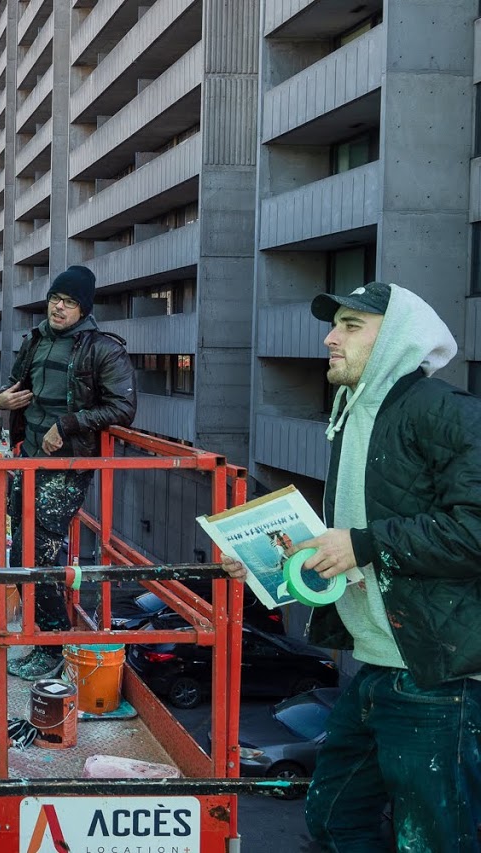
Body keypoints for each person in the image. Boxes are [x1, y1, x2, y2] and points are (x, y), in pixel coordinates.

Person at [223, 281, 481, 851]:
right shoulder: (353, 413)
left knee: (435, 838)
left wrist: (361, 545)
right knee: (335, 817)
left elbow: (474, 528)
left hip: (441, 677)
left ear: (396, 339)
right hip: (376, 665)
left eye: (350, 326)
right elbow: (357, 534)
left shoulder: (445, 412)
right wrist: (278, 564)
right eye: (335, 324)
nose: (329, 338)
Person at [0, 265, 136, 680]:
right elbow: (13, 387)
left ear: (84, 309)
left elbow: (124, 408)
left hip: (68, 464)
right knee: (20, 547)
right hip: (29, 456)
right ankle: (45, 640)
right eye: (56, 298)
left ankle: (52, 644)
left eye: (69, 302)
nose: (59, 307)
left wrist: (68, 424)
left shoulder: (103, 349)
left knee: (32, 554)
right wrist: (3, 401)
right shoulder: (36, 339)